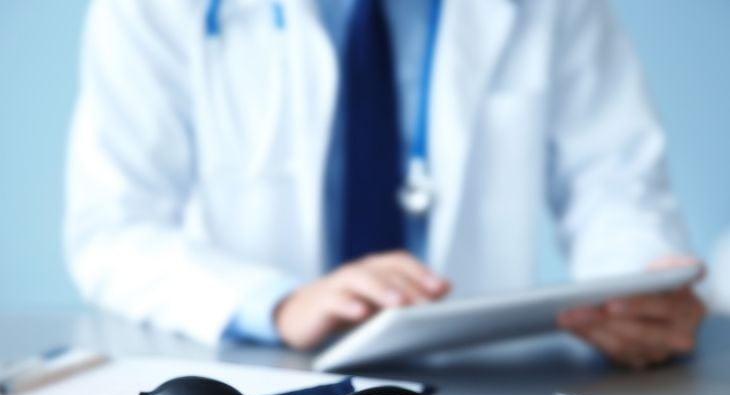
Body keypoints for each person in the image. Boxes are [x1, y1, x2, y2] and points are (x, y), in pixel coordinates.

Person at [65, 0, 705, 369]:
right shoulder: (150, 10)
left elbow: (614, 184)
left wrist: (634, 286)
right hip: (254, 383)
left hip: (483, 389)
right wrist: (279, 302)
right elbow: (115, 230)